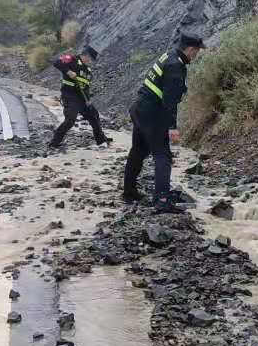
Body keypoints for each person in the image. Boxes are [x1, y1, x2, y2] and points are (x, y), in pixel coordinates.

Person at [124, 30, 205, 212]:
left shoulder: (169, 55)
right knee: (163, 156)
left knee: (138, 150)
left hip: (139, 109)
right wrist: (172, 127)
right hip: (152, 114)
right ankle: (162, 200)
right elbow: (170, 101)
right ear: (190, 49)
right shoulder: (175, 66)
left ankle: (129, 193)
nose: (197, 55)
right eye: (197, 51)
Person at [47, 44, 111, 152]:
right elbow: (56, 62)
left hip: (82, 98)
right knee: (70, 120)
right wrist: (68, 71)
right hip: (69, 96)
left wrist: (88, 100)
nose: (90, 62)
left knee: (94, 115)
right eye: (90, 59)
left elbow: (86, 87)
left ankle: (101, 140)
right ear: (85, 55)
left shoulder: (88, 71)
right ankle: (54, 143)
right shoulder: (72, 60)